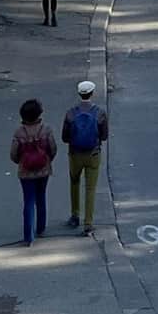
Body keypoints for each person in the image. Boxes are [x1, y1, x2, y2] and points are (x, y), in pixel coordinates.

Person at [62, 79, 108, 237]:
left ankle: (75, 215)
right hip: (93, 154)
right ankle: (88, 223)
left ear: (79, 94)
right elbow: (104, 135)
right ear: (92, 93)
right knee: (90, 188)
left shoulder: (70, 113)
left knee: (74, 182)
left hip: (75, 154)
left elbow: (65, 138)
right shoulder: (100, 112)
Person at [10, 97, 57, 246]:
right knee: (41, 197)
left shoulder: (19, 133)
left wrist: (21, 162)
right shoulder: (46, 129)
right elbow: (53, 148)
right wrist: (47, 160)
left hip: (26, 172)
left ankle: (28, 235)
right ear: (39, 114)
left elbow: (13, 154)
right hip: (43, 170)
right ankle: (41, 227)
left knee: (28, 201)